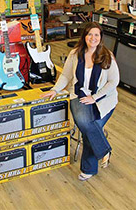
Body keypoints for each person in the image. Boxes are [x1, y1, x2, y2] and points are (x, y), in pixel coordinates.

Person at [42, 22, 120, 181]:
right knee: (89, 125)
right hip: (79, 95)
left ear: (101, 37)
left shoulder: (107, 56)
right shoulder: (75, 54)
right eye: (90, 34)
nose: (93, 38)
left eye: (96, 35)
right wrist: (55, 89)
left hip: (103, 100)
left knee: (91, 127)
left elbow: (113, 82)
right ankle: (104, 151)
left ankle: (89, 168)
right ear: (84, 36)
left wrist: (95, 98)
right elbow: (65, 76)